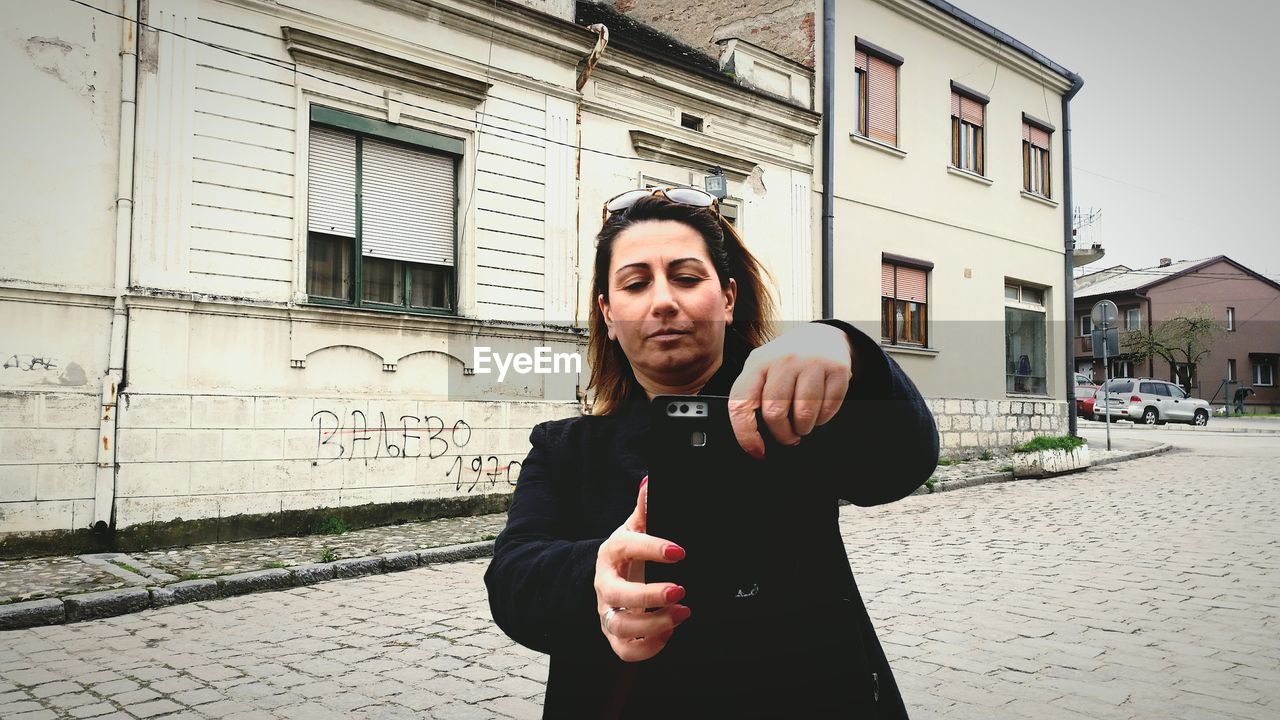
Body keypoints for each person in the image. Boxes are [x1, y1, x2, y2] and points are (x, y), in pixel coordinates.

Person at [484, 188, 938, 718]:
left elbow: (905, 463)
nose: (663, 301)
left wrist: (850, 351)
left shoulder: (792, 414)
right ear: (608, 314)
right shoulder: (565, 448)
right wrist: (596, 575)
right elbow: (513, 577)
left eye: (686, 277)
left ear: (727, 298)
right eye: (635, 283)